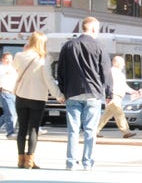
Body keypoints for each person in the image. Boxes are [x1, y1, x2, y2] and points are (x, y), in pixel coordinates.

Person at [57, 16, 113, 170]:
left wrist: (62, 91)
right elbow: (106, 72)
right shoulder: (99, 47)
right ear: (94, 28)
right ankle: (87, 163)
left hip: (72, 92)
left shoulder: (68, 46)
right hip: (93, 93)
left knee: (73, 130)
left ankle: (70, 162)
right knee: (90, 130)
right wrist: (109, 93)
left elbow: (60, 70)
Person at [12, 32, 65, 169]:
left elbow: (16, 70)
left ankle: (20, 159)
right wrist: (58, 95)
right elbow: (48, 79)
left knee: (22, 129)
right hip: (37, 98)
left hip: (21, 95)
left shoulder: (19, 55)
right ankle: (30, 160)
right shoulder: (44, 58)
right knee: (33, 129)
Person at [96, 55, 137, 138]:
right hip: (114, 96)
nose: (124, 64)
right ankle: (126, 132)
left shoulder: (118, 73)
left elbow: (124, 86)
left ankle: (94, 131)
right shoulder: (112, 72)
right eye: (122, 62)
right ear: (116, 63)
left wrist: (133, 91)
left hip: (116, 96)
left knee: (106, 116)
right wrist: (109, 96)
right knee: (119, 113)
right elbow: (109, 85)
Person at [0, 51, 18, 138]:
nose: (9, 61)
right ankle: (10, 133)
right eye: (7, 59)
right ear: (2, 59)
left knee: (8, 114)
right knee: (11, 113)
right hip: (5, 92)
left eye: (10, 59)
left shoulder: (14, 68)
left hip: (14, 93)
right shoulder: (1, 68)